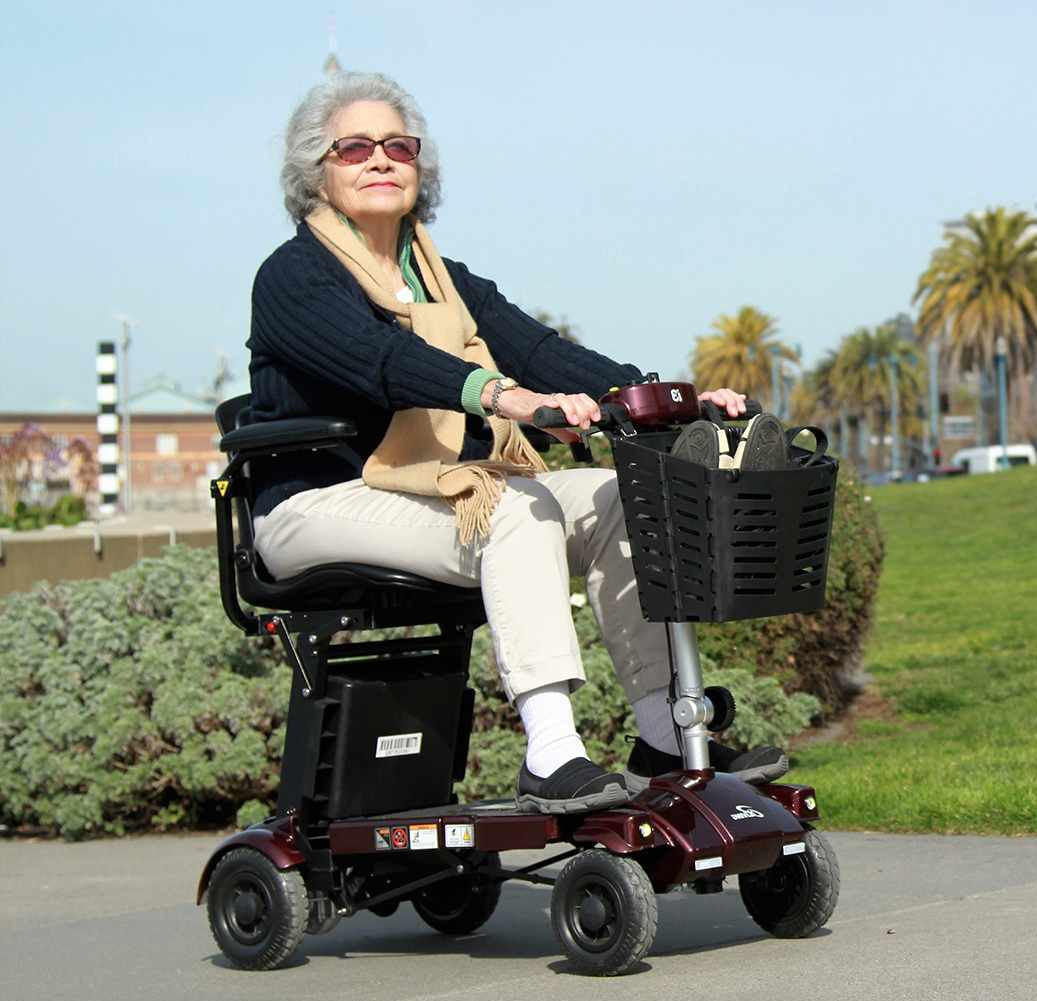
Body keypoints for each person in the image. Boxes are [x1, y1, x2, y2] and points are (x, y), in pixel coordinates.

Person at [247, 71, 787, 814]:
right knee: (516, 508)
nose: (380, 160)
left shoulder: (444, 279)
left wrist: (671, 400)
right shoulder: (292, 277)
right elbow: (385, 363)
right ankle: (551, 751)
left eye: (397, 146)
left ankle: (665, 733)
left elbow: (543, 353)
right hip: (315, 502)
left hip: (433, 487)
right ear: (317, 172)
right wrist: (505, 397)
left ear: (419, 168)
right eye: (354, 148)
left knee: (617, 495)